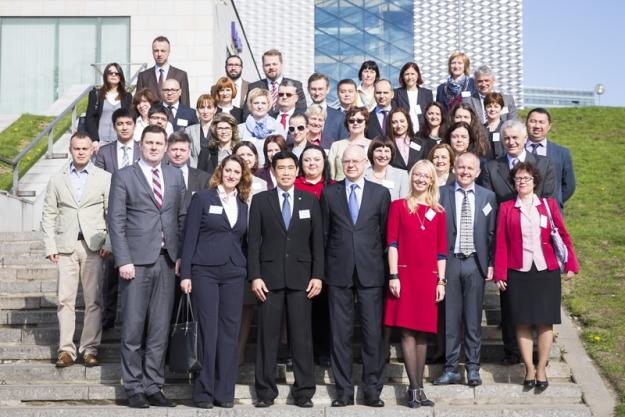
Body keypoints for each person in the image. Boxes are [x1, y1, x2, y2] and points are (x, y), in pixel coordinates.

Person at [108, 125, 186, 409]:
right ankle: (133, 387)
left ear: (166, 146)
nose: (154, 147)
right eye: (149, 142)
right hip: (136, 263)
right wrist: (123, 259)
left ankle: (153, 385)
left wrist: (181, 257)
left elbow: (181, 216)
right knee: (133, 327)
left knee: (159, 327)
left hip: (167, 261)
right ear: (141, 145)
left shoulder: (175, 175)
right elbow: (115, 221)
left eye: (159, 143)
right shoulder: (124, 176)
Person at [248, 151, 324, 408]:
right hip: (268, 280)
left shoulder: (310, 201)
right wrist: (255, 276)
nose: (287, 172)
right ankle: (265, 393)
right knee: (267, 338)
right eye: (281, 168)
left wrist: (318, 275)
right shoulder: (260, 201)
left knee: (302, 337)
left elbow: (318, 244)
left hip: (302, 280)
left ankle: (304, 392)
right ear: (274, 171)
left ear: (297, 170)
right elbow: (253, 243)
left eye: (291, 167)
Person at [494, 162, 579, 391]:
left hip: (546, 271)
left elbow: (562, 235)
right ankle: (529, 368)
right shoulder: (506, 208)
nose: (522, 182)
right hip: (517, 271)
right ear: (514, 183)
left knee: (545, 321)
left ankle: (541, 368)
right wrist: (500, 272)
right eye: (518, 179)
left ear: (535, 182)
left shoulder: (548, 206)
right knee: (521, 322)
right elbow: (500, 243)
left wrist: (571, 263)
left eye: (527, 179)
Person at [481, 119, 557, 366]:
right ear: (501, 141)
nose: (511, 142)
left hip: (539, 245)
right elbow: (487, 204)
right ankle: (512, 351)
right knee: (510, 304)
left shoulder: (544, 165)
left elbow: (550, 202)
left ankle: (539, 355)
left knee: (541, 307)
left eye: (515, 138)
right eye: (506, 139)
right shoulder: (493, 168)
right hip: (508, 242)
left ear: (525, 139)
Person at [320, 145, 390, 408]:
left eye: (355, 161)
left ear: (365, 163)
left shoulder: (380, 194)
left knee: (372, 333)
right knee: (340, 334)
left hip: (371, 273)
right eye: (346, 161)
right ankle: (344, 391)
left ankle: (373, 390)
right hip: (338, 273)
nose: (351, 165)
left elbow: (384, 236)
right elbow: (325, 235)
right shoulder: (329, 194)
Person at [179, 155, 251, 409]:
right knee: (207, 333)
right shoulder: (203, 198)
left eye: (237, 172)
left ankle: (224, 392)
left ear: (242, 176)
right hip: (205, 272)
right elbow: (190, 237)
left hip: (233, 273)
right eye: (228, 170)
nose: (232, 175)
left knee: (229, 334)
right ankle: (203, 392)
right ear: (221, 172)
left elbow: (243, 239)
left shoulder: (243, 204)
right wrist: (185, 273)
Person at [42, 132, 111, 368]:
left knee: (93, 300)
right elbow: (49, 214)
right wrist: (50, 245)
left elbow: (112, 212)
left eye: (84, 148)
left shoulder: (104, 178)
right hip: (66, 246)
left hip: (94, 246)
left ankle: (90, 348)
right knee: (65, 299)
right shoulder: (57, 179)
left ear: (92, 150)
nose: (80, 152)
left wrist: (109, 243)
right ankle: (66, 350)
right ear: (70, 150)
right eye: (76, 148)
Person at [384, 159, 446, 408]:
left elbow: (441, 251)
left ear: (432, 180)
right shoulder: (398, 206)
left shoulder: (439, 212)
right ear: (411, 178)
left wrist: (441, 281)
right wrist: (393, 275)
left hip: (428, 277)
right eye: (417, 175)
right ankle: (412, 388)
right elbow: (392, 244)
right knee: (408, 332)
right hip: (405, 275)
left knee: (423, 334)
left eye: (425, 176)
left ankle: (420, 388)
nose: (420, 179)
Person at [433, 153, 497, 387]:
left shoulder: (488, 197)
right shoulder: (441, 193)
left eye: (470, 168)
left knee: (472, 319)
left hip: (475, 263)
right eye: (461, 167)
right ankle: (450, 369)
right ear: (454, 169)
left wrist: (490, 262)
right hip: (450, 262)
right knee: (451, 318)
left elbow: (492, 234)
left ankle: (473, 368)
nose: (465, 172)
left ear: (478, 172)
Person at [95, 108, 140, 330]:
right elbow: (98, 185)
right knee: (111, 274)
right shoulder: (104, 152)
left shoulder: (143, 149)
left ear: (134, 125)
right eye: (120, 123)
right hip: (113, 216)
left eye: (128, 123)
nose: (124, 127)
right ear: (114, 127)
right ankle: (108, 319)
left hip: (139, 218)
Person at [525, 107, 576, 209]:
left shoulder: (562, 153)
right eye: (533, 121)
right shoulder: (516, 150)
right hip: (522, 209)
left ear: (549, 126)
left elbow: (569, 186)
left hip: (551, 210)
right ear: (526, 123)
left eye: (541, 122)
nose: (537, 126)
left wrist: (557, 200)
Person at [244, 49, 306, 114]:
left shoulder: (296, 85)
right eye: (267, 65)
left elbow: (301, 111)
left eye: (274, 64)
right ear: (262, 67)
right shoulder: (253, 87)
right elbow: (247, 114)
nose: (271, 67)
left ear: (281, 65)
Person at [85, 63, 132, 147]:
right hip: (100, 142)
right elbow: (90, 118)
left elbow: (129, 119)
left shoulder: (127, 96)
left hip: (119, 142)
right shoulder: (96, 94)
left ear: (120, 76)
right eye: (110, 73)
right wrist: (94, 140)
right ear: (105, 75)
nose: (113, 75)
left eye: (117, 73)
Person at [136, 36, 190, 106]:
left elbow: (185, 102)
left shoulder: (181, 75)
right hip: (151, 115)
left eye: (163, 51)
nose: (159, 54)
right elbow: (138, 102)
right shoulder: (143, 76)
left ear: (169, 52)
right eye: (156, 51)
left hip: (173, 116)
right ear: (152, 52)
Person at [239, 88, 286, 165]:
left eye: (263, 103)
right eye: (256, 103)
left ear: (268, 105)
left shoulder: (278, 127)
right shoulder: (240, 129)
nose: (260, 106)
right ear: (250, 105)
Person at [167, 131, 211, 208]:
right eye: (174, 149)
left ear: (189, 152)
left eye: (182, 150)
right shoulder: (157, 175)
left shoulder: (204, 179)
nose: (178, 154)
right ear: (167, 151)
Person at [328, 107, 372, 181]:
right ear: (347, 123)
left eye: (359, 121)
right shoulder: (336, 146)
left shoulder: (373, 145)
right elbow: (331, 174)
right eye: (351, 121)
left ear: (366, 123)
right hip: (340, 189)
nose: (355, 123)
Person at [392, 62, 433, 133]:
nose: (410, 77)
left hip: (423, 132)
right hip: (403, 132)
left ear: (417, 75)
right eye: (407, 74)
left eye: (412, 74)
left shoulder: (427, 93)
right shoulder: (396, 93)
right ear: (402, 76)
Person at [307, 72, 346, 148]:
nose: (317, 93)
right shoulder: (301, 115)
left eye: (320, 89)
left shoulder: (340, 117)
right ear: (308, 90)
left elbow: (343, 145)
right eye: (313, 89)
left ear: (327, 89)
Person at [388, 107, 427, 171]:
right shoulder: (387, 144)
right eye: (394, 122)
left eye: (402, 121)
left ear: (408, 121)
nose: (399, 125)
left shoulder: (420, 143)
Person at [185, 94, 218, 168]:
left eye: (209, 108)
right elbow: (187, 152)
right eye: (202, 107)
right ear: (197, 110)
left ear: (215, 110)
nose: (205, 111)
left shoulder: (220, 129)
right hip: (195, 171)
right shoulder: (189, 130)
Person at [483, 92, 506, 159]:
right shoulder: (480, 128)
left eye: (496, 106)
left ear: (501, 109)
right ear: (485, 108)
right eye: (489, 106)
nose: (492, 109)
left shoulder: (506, 128)